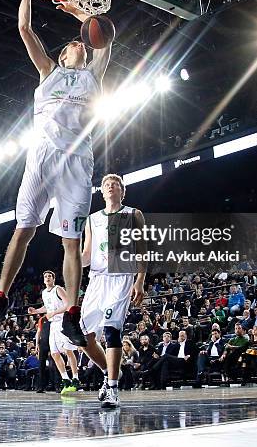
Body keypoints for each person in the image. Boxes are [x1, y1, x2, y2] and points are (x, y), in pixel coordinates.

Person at [0, 0, 113, 348]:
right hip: (40, 158)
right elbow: (24, 26)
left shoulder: (93, 75)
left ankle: (72, 313)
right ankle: (0, 296)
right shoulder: (48, 71)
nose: (80, 46)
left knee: (71, 243)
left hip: (76, 162)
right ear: (62, 55)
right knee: (24, 229)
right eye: (74, 44)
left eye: (82, 44)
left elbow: (106, 39)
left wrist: (83, 18)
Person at [80, 174, 146, 408]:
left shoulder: (133, 214)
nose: (110, 186)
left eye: (115, 184)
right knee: (83, 338)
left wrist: (139, 281)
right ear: (101, 191)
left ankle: (113, 389)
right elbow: (87, 254)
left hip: (120, 277)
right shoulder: (91, 219)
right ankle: (109, 377)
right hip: (96, 279)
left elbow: (141, 249)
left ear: (122, 191)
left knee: (111, 330)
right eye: (106, 184)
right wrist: (72, 256)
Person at [28, 270, 79, 394]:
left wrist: (54, 313)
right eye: (45, 276)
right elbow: (47, 307)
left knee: (68, 350)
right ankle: (66, 380)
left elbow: (68, 304)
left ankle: (76, 378)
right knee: (54, 353)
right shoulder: (44, 292)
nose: (47, 278)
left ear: (53, 279)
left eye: (50, 276)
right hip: (53, 324)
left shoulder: (58, 289)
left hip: (64, 321)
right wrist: (35, 311)